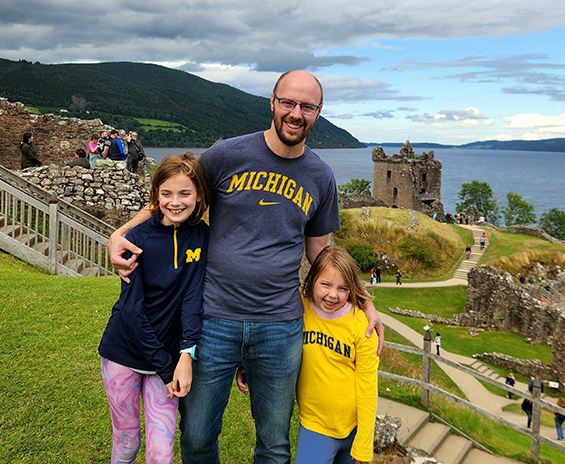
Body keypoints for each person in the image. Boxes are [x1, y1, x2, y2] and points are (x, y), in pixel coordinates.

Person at [107, 70, 384, 464]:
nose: (295, 113)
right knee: (198, 436)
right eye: (288, 102)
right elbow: (176, 193)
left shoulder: (320, 176)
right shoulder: (228, 155)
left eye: (306, 106)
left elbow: (321, 251)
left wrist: (361, 298)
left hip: (280, 325)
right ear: (272, 102)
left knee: (273, 444)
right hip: (213, 319)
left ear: (318, 112)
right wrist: (121, 233)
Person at [97, 153, 212, 464]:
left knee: (161, 454)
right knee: (127, 442)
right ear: (155, 196)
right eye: (167, 193)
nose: (175, 202)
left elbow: (192, 298)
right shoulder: (135, 239)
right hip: (124, 353)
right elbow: (133, 311)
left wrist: (186, 355)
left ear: (199, 195)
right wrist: (166, 367)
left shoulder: (201, 235)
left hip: (169, 357)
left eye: (185, 193)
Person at [294, 245, 379, 464]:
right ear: (312, 279)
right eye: (325, 284)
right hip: (316, 426)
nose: (333, 294)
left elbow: (368, 385)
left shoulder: (362, 326)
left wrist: (364, 443)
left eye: (343, 288)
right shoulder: (298, 312)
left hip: (353, 429)